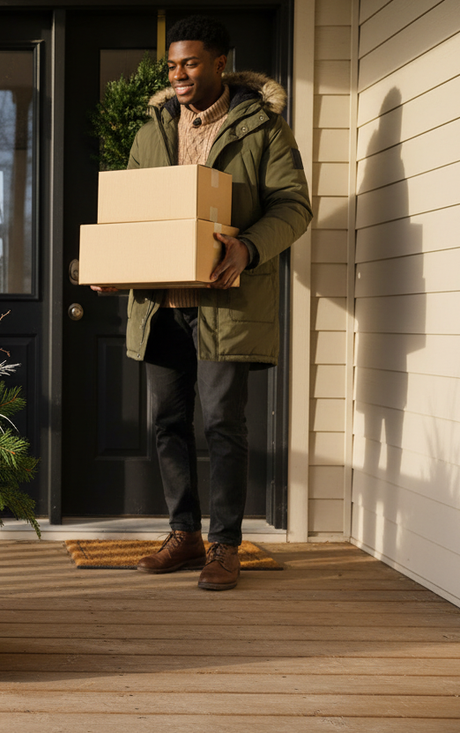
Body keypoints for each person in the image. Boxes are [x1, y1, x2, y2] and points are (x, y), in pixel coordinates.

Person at [92, 16, 312, 590]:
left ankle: (225, 545)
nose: (179, 74)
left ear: (219, 63)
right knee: (167, 422)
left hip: (227, 304)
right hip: (161, 305)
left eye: (190, 63)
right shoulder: (153, 130)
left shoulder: (263, 129)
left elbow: (293, 206)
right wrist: (116, 265)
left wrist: (248, 247)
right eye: (172, 65)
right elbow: (135, 212)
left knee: (222, 423)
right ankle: (184, 533)